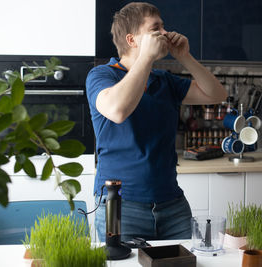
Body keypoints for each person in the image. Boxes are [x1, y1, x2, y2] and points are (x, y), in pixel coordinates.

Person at [86, 2, 227, 242]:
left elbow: (217, 95)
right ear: (132, 40)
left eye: (163, 27)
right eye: (156, 28)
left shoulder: (165, 81)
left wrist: (185, 57)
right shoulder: (102, 75)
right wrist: (146, 57)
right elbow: (118, 110)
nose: (165, 33)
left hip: (173, 206)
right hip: (119, 206)